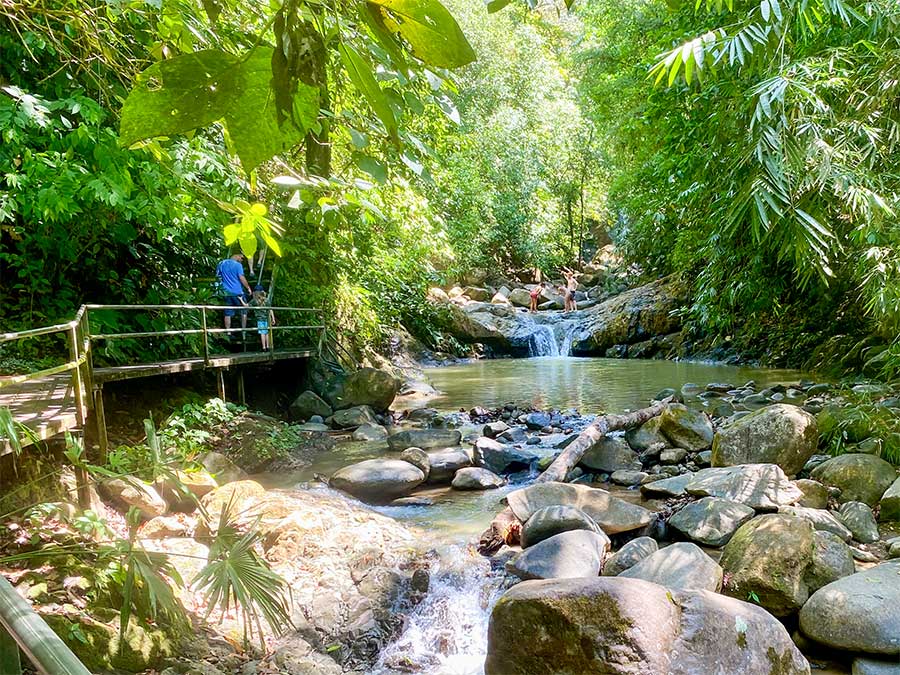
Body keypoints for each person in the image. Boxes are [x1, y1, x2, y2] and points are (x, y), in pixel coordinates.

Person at [216, 252, 252, 335]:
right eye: (242, 258)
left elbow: (218, 276)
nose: (242, 260)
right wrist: (248, 288)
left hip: (225, 292)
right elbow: (241, 277)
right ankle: (243, 330)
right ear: (237, 255)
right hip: (237, 292)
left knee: (227, 312)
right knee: (243, 310)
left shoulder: (221, 263)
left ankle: (228, 331)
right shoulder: (238, 265)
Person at [250, 286, 275, 350]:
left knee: (262, 333)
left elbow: (246, 306)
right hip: (267, 319)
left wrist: (241, 300)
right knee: (266, 332)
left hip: (260, 319)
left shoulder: (254, 301)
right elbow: (270, 309)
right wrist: (273, 318)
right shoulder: (266, 300)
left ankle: (264, 347)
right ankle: (268, 346)